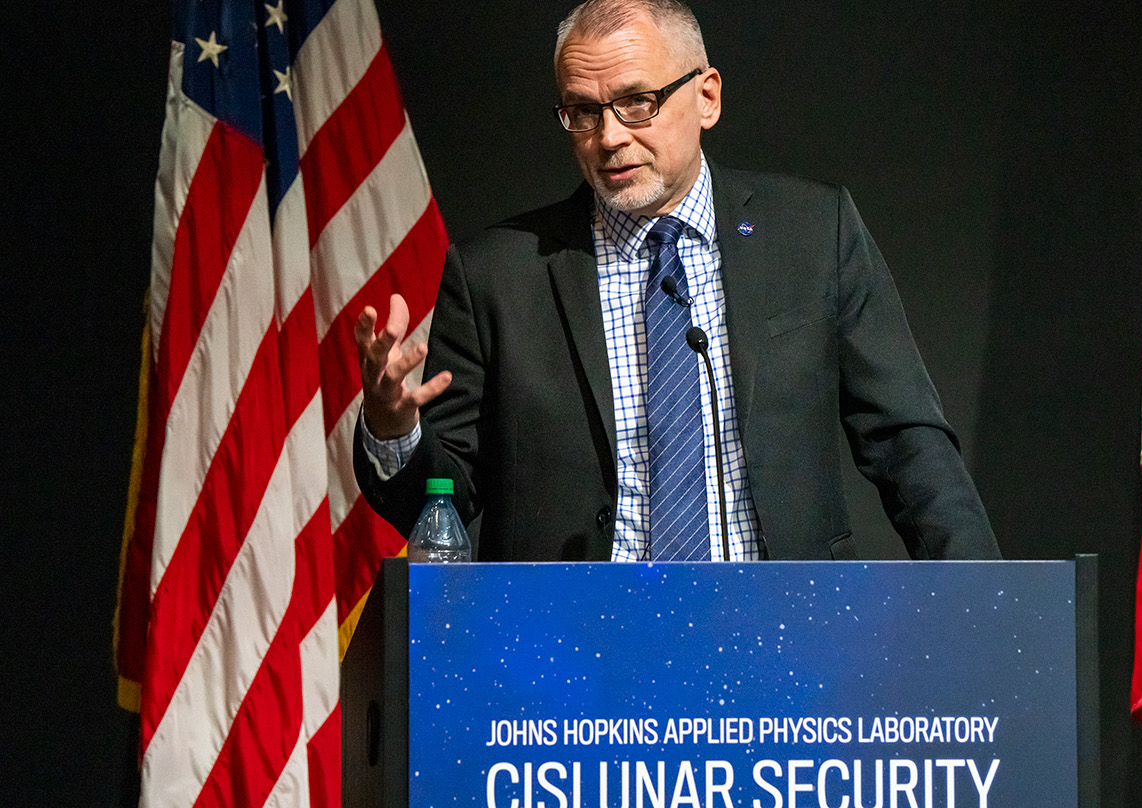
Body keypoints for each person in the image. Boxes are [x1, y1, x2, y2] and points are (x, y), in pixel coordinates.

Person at [353, 0, 999, 562]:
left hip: (784, 638)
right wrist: (392, 430)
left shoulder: (812, 233)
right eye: (583, 111)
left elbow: (908, 444)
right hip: (572, 660)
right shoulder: (496, 275)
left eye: (638, 102)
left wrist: (994, 612)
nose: (609, 137)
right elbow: (439, 502)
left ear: (707, 96)